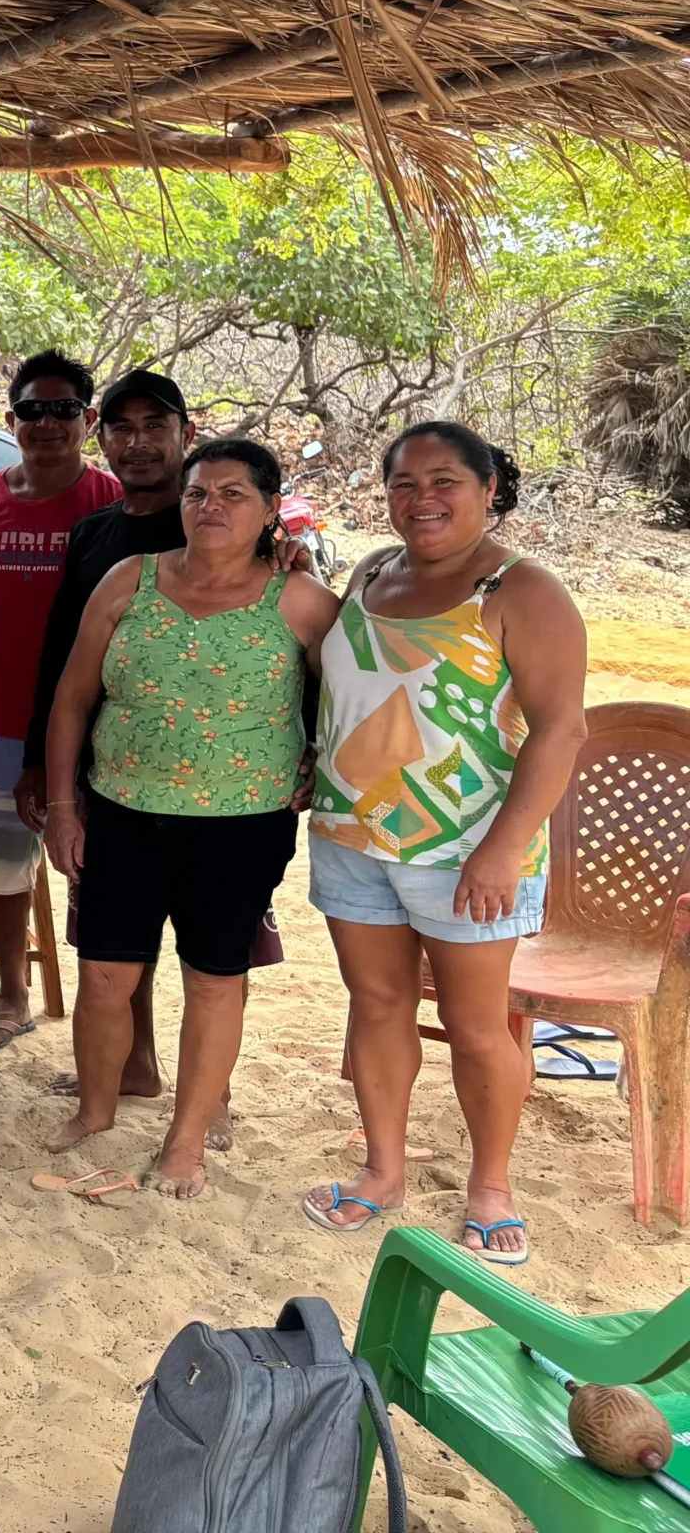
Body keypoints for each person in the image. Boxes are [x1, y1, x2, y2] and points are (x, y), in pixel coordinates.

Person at [303, 424, 585, 1264]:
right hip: (351, 836)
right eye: (403, 483)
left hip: (467, 853)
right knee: (378, 1005)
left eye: (444, 480)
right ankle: (382, 1171)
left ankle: (490, 1186)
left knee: (476, 1026)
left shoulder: (521, 591)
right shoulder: (367, 574)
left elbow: (560, 730)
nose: (421, 498)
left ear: (491, 485)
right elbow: (342, 695)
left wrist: (503, 849)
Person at [43, 439, 340, 1198]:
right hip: (120, 813)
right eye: (198, 493)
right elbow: (74, 698)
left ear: (272, 510)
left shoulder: (300, 603)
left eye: (234, 495)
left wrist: (318, 759)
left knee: (214, 980)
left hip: (240, 827)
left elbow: (353, 702)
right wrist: (63, 806)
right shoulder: (126, 582)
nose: (212, 508)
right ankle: (96, 1110)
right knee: (106, 974)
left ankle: (186, 1141)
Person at [20, 369, 294, 1137]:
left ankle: (213, 1101)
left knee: (215, 960)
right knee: (113, 952)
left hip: (230, 796)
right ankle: (129, 1070)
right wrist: (47, 776)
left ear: (185, 434)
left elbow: (306, 665)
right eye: (121, 427)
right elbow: (63, 669)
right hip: (117, 783)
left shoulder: (254, 556)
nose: (138, 442)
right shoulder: (100, 541)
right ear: (101, 437)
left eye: (155, 426)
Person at [0, 351, 122, 1053]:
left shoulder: (113, 501)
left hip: (102, 720)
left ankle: (104, 1013)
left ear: (88, 419)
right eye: (31, 410)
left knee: (102, 870)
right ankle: (14, 998)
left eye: (63, 410)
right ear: (9, 418)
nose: (46, 424)